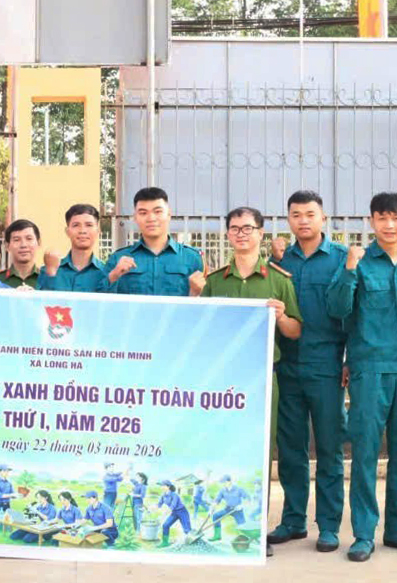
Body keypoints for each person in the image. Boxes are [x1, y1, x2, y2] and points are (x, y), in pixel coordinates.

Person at [327, 192, 397, 563]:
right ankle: (363, 534)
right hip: (370, 372)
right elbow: (338, 309)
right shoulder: (359, 264)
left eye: (396, 217)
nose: (389, 225)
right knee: (364, 454)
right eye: (382, 218)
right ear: (371, 222)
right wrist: (349, 269)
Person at [268, 190, 350, 553]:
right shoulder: (279, 262)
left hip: (327, 367)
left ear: (323, 218)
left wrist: (350, 359)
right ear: (288, 219)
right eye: (296, 215)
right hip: (287, 366)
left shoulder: (342, 259)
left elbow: (355, 311)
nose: (303, 221)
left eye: (310, 214)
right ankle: (293, 520)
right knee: (290, 448)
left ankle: (329, 526)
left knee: (329, 448)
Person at [199, 206, 303, 439]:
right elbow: (201, 329)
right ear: (228, 234)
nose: (241, 234)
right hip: (222, 377)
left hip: (262, 376)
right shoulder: (215, 282)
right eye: (234, 229)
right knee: (220, 440)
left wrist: (281, 317)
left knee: (261, 442)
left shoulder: (279, 280)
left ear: (260, 233)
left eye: (247, 228)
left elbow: (295, 331)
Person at [105, 187, 204, 296]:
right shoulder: (118, 259)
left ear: (169, 215)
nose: (151, 218)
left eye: (157, 212)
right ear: (135, 217)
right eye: (143, 213)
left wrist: (194, 294)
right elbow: (99, 300)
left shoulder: (192, 258)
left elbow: (206, 302)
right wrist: (113, 275)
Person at [39, 204, 109, 293]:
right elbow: (41, 300)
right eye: (76, 225)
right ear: (67, 231)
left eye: (89, 225)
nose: (82, 231)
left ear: (98, 230)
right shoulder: (49, 270)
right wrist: (51, 274)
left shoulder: (106, 273)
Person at [0, 219, 41, 289]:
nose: (23, 245)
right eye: (16, 240)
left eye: (29, 239)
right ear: (7, 246)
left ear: (39, 243)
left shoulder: (47, 279)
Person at [210, 475, 251, 543]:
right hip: (227, 509)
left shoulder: (239, 489)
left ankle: (245, 539)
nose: (223, 484)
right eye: (222, 482)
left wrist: (242, 505)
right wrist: (212, 508)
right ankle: (217, 536)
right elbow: (217, 500)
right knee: (215, 516)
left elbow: (248, 498)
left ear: (229, 481)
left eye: (224, 482)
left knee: (242, 525)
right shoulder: (222, 490)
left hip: (237, 510)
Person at [155, 480, 191, 548]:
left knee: (187, 529)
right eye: (161, 486)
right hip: (174, 512)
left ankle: (191, 543)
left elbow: (172, 506)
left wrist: (163, 515)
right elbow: (159, 504)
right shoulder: (163, 495)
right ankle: (165, 542)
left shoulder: (174, 495)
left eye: (163, 485)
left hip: (182, 512)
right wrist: (151, 508)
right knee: (165, 525)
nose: (161, 487)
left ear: (168, 486)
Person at [0, 464, 18, 529]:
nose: (7, 473)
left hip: (7, 504)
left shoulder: (9, 482)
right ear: (0, 471)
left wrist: (17, 495)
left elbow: (13, 493)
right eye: (5, 471)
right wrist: (12, 495)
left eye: (8, 471)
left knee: (6, 522)